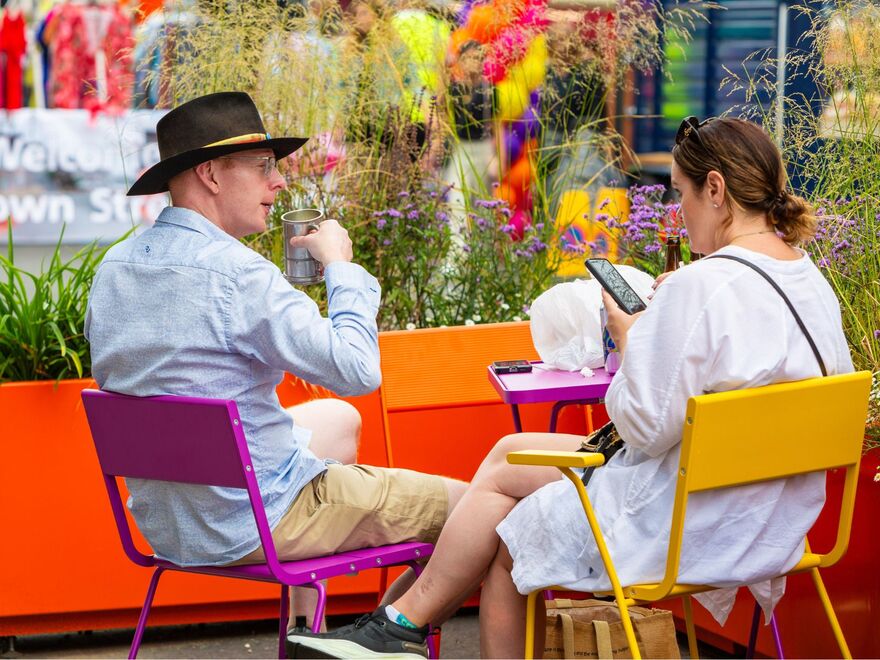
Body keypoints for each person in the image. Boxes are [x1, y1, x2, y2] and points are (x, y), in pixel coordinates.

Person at [287, 117, 853, 659]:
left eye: (680, 194)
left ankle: (398, 624)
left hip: (691, 523)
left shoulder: (702, 285)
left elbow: (644, 428)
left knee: (512, 538)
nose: (679, 214)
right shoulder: (811, 280)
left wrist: (630, 335)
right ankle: (396, 623)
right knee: (507, 457)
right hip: (772, 517)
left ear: (716, 188)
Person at [84, 91, 466, 639]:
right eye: (264, 167)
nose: (279, 182)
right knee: (480, 511)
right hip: (256, 521)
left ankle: (305, 631)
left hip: (168, 522)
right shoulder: (240, 275)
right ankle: (379, 638)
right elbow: (358, 370)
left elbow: (153, 379)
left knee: (337, 421)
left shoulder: (114, 267)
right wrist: (341, 268)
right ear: (212, 173)